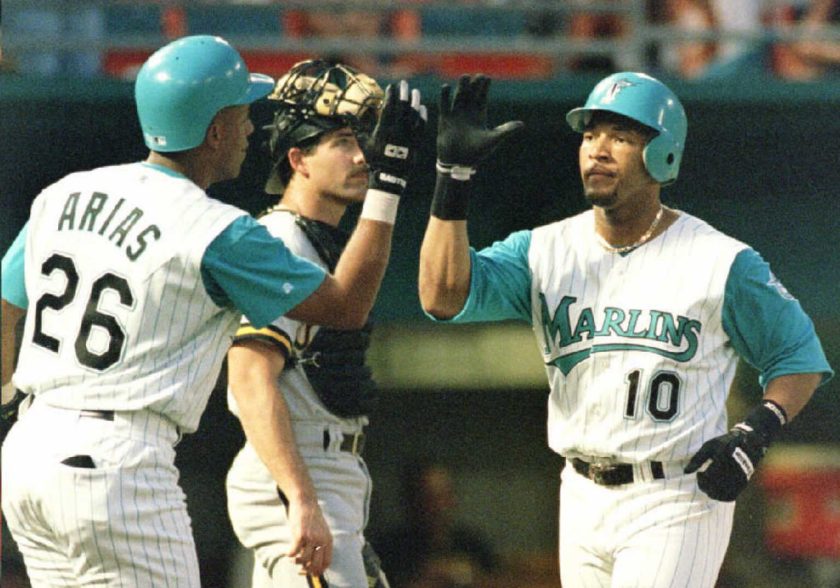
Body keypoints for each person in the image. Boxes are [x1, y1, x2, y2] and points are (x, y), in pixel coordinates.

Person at [0, 34, 425, 587]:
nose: (251, 130)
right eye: (242, 114)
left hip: (30, 448)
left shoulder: (66, 192)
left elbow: (6, 304)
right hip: (120, 463)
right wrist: (388, 181)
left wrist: (9, 399)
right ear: (215, 130)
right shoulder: (217, 228)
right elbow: (345, 305)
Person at [417, 72, 833, 586]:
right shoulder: (545, 249)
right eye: (590, 135)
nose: (598, 150)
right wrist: (450, 178)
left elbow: (798, 355)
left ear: (662, 154)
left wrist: (758, 428)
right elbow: (440, 294)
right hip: (580, 491)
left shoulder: (720, 260)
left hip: (675, 494)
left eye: (620, 136)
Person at [224, 59, 425, 586]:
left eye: (361, 139)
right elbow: (248, 378)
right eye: (339, 141)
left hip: (334, 472)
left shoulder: (324, 238)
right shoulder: (277, 241)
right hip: (295, 471)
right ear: (298, 159)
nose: (361, 155)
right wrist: (302, 496)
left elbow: (350, 299)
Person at [373, 458, 499, 588]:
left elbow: (497, 579)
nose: (440, 507)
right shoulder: (389, 549)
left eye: (444, 496)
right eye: (429, 498)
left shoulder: (471, 544)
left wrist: (467, 575)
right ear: (411, 502)